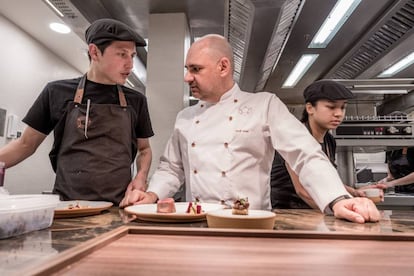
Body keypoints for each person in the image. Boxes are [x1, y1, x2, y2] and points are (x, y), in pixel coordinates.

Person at [121, 34, 380, 223]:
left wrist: (337, 199)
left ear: (223, 67)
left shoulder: (264, 105)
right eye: (188, 69)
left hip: (249, 223)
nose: (187, 77)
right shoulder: (185, 117)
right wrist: (152, 194)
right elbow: (171, 168)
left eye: (195, 69)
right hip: (198, 223)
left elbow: (305, 154)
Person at [0, 19, 154, 205]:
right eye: (122, 54)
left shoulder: (135, 100)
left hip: (119, 206)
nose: (130, 64)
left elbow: (144, 149)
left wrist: (141, 178)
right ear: (94, 52)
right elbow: (25, 145)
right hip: (68, 205)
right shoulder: (56, 92)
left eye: (132, 55)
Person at [271, 80, 384, 209]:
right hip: (287, 214)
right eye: (331, 107)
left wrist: (353, 192)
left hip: (314, 213)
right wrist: (339, 208)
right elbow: (302, 190)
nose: (339, 113)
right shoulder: (295, 138)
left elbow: (321, 181)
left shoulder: (329, 140)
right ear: (310, 108)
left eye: (343, 107)